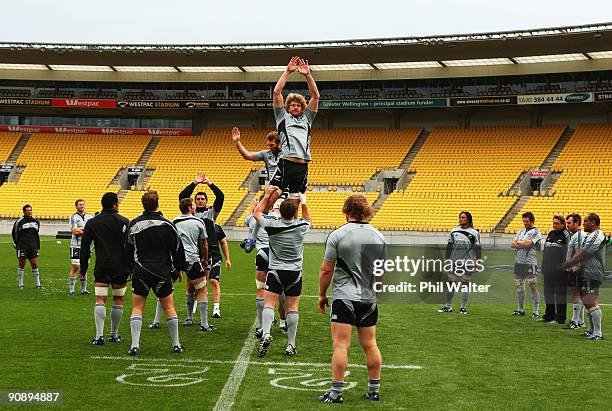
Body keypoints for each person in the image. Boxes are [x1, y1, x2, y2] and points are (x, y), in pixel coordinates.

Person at [244, 56, 319, 252]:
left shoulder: (308, 119)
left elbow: (316, 97)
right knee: (268, 198)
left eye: (298, 105)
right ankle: (252, 237)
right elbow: (277, 92)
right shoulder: (282, 118)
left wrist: (308, 75)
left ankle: (289, 240)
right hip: (286, 163)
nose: (295, 107)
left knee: (293, 205)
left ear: (302, 107)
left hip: (303, 166)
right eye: (292, 105)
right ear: (287, 107)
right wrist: (287, 71)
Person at [318, 194, 386, 403]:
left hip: (344, 297)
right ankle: (373, 391)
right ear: (366, 212)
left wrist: (321, 294)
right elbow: (381, 275)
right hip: (368, 299)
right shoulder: (379, 236)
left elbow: (326, 270)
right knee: (370, 344)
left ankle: (336, 393)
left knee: (340, 345)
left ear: (347, 211)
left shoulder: (338, 234)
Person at [126, 190, 187, 356]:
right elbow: (177, 248)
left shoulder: (134, 224)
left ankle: (134, 346)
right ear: (157, 203)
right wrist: (180, 267)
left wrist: (129, 270)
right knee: (169, 307)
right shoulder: (167, 224)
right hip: (162, 272)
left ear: (143, 204)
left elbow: (128, 249)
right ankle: (176, 344)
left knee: (137, 308)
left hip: (141, 271)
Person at [255, 186, 311, 357]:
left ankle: (265, 333)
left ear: (280, 212)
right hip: (294, 272)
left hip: (275, 270)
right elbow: (308, 218)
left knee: (269, 304)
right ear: (294, 213)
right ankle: (291, 344)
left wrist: (266, 196)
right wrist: (303, 201)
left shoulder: (272, 225)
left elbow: (257, 213)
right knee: (292, 307)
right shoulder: (301, 225)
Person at [80, 192, 131, 345]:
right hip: (120, 267)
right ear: (116, 204)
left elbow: (84, 248)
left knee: (100, 300)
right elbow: (130, 246)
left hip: (102, 266)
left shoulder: (92, 222)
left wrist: (83, 270)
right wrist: (130, 268)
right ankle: (114, 334)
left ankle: (99, 336)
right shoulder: (124, 221)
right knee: (118, 300)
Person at [178, 173, 225, 319]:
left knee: (205, 281)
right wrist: (194, 183)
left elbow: (221, 197)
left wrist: (210, 184)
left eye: (202, 199)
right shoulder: (190, 214)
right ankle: (193, 307)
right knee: (191, 283)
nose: (199, 201)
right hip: (192, 251)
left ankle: (205, 307)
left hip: (207, 252)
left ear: (206, 201)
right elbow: (182, 196)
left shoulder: (211, 213)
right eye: (197, 199)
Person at [232, 128, 282, 253]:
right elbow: (247, 156)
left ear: (279, 143)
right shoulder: (266, 154)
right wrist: (237, 142)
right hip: (272, 188)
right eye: (268, 145)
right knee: (260, 210)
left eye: (272, 145)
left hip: (286, 188)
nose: (270, 147)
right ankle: (252, 238)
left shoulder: (287, 153)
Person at [245, 197, 287, 338]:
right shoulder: (280, 218)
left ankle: (262, 326)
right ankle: (282, 322)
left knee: (261, 290)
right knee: (280, 291)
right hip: (277, 255)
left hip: (262, 253)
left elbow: (248, 224)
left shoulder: (254, 218)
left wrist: (255, 206)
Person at [562, 213, 606, 340]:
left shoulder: (597, 235)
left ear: (593, 222)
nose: (584, 223)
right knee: (587, 302)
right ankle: (591, 329)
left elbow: (583, 254)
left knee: (591, 301)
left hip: (592, 272)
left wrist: (568, 264)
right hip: (585, 271)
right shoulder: (589, 235)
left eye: (586, 221)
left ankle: (598, 333)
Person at [173, 198, 214, 332]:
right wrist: (205, 259)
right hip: (191, 259)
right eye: (194, 205)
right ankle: (204, 324)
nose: (196, 206)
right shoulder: (198, 222)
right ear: (190, 208)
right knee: (202, 289)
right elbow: (204, 244)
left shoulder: (173, 222)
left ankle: (189, 318)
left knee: (184, 288)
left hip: (177, 261)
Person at [437, 211, 481, 315]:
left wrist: (478, 261)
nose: (461, 219)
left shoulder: (474, 233)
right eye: (460, 217)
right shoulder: (454, 231)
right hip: (454, 262)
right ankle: (448, 306)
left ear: (468, 219)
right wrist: (447, 260)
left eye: (463, 217)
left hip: (468, 262)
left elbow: (478, 248)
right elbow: (449, 246)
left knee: (465, 284)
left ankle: (463, 307)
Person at [511, 212, 542, 318]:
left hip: (530, 262)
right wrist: (522, 243)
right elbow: (512, 244)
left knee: (532, 285)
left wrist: (519, 243)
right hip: (518, 262)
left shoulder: (536, 232)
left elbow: (529, 244)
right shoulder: (521, 231)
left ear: (532, 221)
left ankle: (536, 311)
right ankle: (521, 309)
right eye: (523, 221)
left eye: (527, 221)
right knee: (519, 286)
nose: (525, 223)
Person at [541, 216, 570, 324]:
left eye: (557, 223)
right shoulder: (551, 234)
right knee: (548, 294)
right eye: (553, 223)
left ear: (563, 224)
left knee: (560, 295)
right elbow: (545, 251)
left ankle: (560, 318)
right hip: (548, 270)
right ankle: (548, 316)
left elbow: (570, 252)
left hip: (560, 272)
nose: (554, 225)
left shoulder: (566, 235)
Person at [564, 214, 586, 329]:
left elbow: (579, 253)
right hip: (574, 268)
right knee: (577, 295)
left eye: (569, 223)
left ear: (577, 223)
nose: (567, 225)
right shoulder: (575, 235)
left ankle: (574, 322)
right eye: (567, 223)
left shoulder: (578, 236)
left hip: (576, 269)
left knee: (576, 295)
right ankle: (580, 322)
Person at [12, 204, 41, 289]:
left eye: (31, 210)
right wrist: (16, 244)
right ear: (24, 211)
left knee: (34, 264)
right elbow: (14, 233)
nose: (30, 212)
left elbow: (36, 233)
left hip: (33, 246)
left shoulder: (36, 221)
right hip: (22, 246)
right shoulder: (19, 221)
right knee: (22, 264)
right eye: (28, 210)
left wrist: (36, 245)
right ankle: (20, 283)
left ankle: (38, 284)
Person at [69, 199, 94, 296]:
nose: (82, 206)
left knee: (84, 267)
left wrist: (82, 229)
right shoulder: (73, 217)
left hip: (87, 246)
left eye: (83, 204)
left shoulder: (90, 216)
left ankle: (83, 289)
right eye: (80, 205)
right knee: (76, 266)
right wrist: (87, 231)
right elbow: (75, 231)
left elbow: (93, 230)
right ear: (76, 206)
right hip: (75, 245)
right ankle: (72, 290)